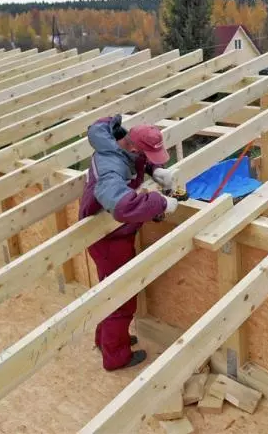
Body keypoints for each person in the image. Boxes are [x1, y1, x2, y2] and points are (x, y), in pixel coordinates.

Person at [79, 114, 179, 371]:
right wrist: (161, 203)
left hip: (116, 234)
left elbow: (136, 161)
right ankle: (116, 357)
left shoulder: (122, 145)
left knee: (110, 291)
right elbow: (122, 207)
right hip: (108, 238)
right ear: (133, 146)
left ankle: (108, 339)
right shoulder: (111, 167)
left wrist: (155, 171)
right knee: (121, 299)